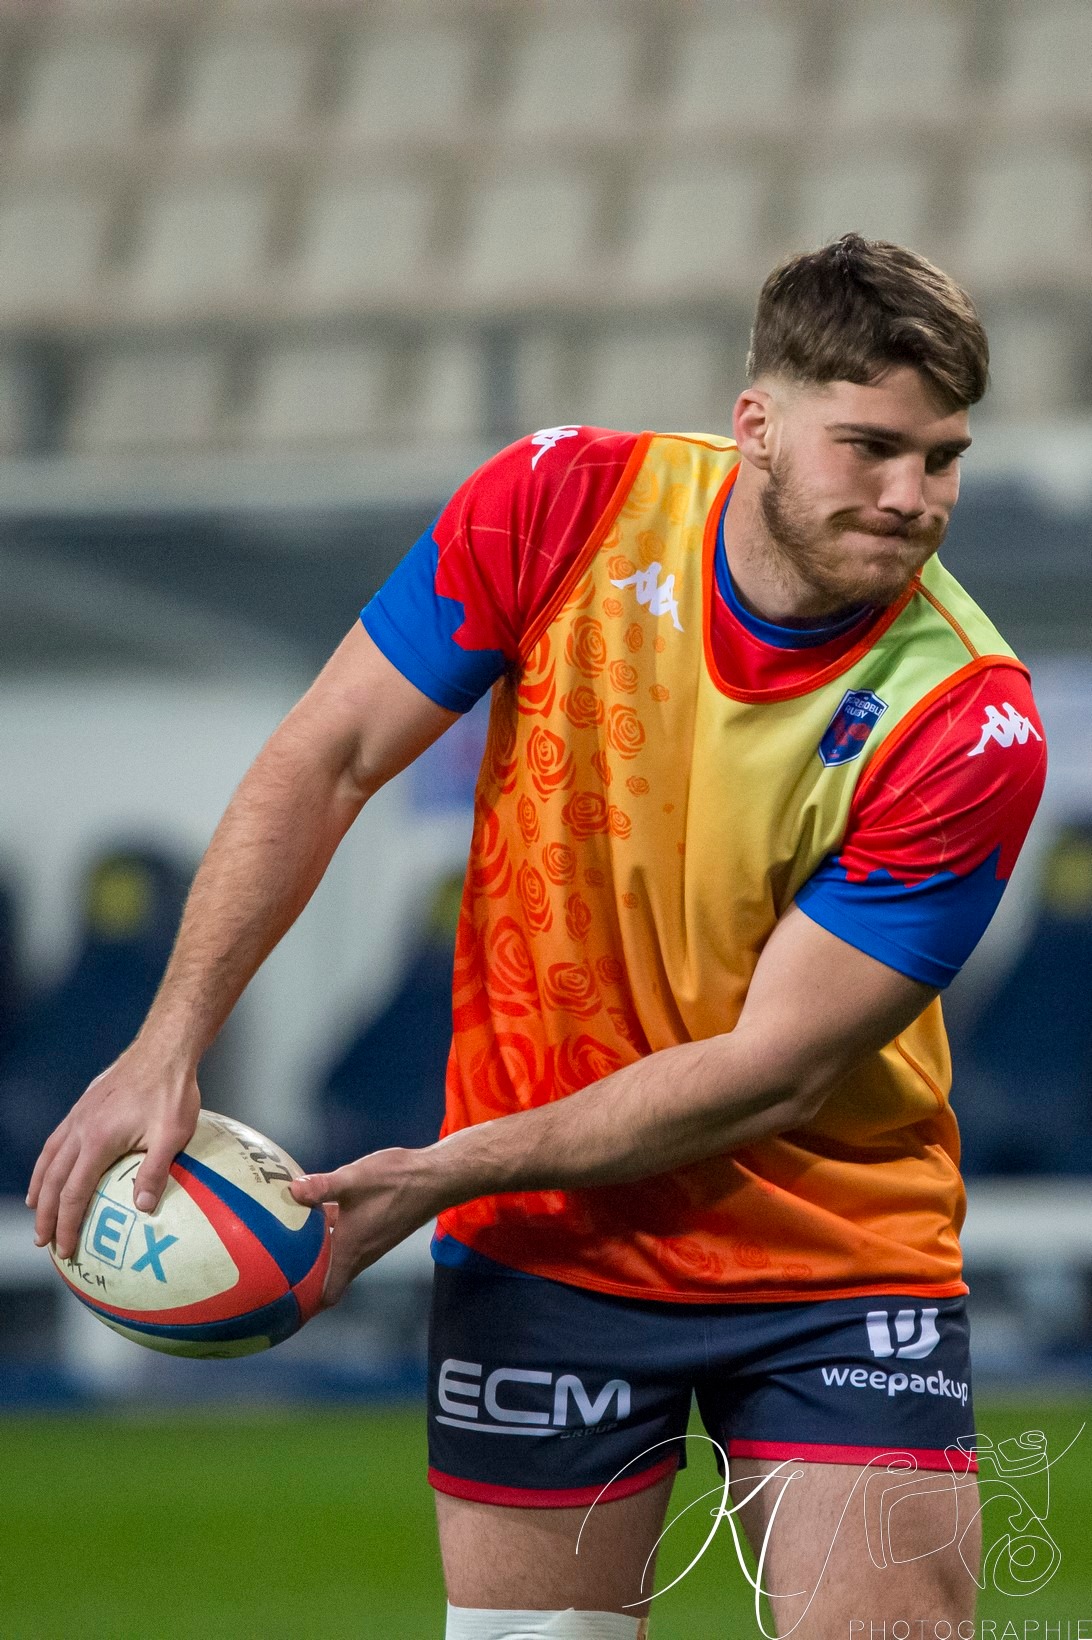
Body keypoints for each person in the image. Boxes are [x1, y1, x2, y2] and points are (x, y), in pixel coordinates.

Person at [28, 236, 1047, 1639]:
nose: (910, 496)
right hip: (549, 1241)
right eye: (870, 445)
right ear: (755, 424)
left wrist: (437, 1174)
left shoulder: (967, 722)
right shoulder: (564, 505)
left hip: (833, 1256)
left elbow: (773, 1072)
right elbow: (327, 757)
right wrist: (165, 1039)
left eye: (943, 459)